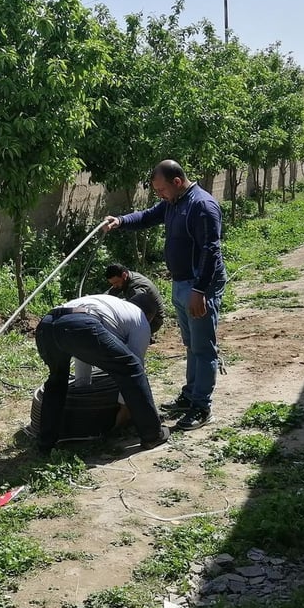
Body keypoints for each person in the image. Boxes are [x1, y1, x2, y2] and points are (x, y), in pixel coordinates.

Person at [104, 160, 227, 430]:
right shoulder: (174, 203)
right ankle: (190, 395)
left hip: (198, 287)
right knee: (191, 344)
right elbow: (148, 216)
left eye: (161, 189)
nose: (159, 194)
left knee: (203, 347)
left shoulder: (201, 206)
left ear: (177, 182)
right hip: (182, 284)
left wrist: (200, 291)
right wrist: (120, 221)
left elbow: (211, 251)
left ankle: (201, 407)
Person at [34, 292, 169, 453]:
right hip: (78, 324)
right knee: (132, 367)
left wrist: (84, 385)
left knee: (57, 382)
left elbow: (82, 349)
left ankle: (45, 444)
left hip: (46, 325)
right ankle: (152, 434)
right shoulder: (140, 319)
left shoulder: (112, 305)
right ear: (150, 316)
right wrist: (124, 410)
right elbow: (133, 369)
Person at [104, 264, 167, 335]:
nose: (114, 286)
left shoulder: (136, 289)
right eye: (112, 284)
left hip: (153, 320)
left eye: (116, 282)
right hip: (145, 312)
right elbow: (111, 292)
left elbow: (137, 315)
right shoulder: (127, 277)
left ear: (124, 275)